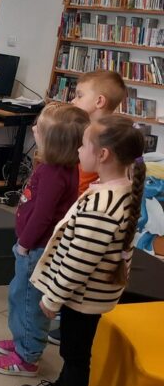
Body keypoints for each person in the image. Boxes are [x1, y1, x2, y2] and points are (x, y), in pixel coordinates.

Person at [15, 115, 145, 386]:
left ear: (103, 155)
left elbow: (79, 260)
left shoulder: (103, 205)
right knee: (73, 353)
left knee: (75, 357)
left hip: (81, 297)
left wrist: (52, 297)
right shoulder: (117, 190)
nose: (78, 148)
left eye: (84, 143)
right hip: (89, 295)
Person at [0, 103, 89, 377]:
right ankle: (23, 342)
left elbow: (43, 216)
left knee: (30, 300)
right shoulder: (55, 168)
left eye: (39, 128)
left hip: (36, 250)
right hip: (34, 248)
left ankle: (27, 357)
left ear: (55, 141)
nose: (33, 128)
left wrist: (24, 244)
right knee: (19, 295)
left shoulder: (55, 174)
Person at [48, 70, 127, 346]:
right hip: (73, 215)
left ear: (100, 101)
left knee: (76, 270)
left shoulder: (103, 140)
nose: (73, 99)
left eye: (80, 95)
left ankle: (62, 315)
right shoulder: (88, 131)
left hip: (83, 221)